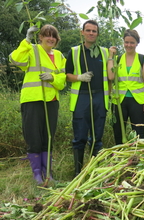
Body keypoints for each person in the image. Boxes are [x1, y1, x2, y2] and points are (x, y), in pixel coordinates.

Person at [9, 24, 66, 184]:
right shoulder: (32, 49)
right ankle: (36, 174)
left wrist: (53, 78)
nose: (51, 39)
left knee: (48, 137)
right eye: (47, 35)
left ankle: (48, 173)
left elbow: (62, 81)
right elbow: (16, 60)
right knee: (34, 137)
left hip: (52, 101)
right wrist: (26, 40)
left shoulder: (60, 56)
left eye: (53, 36)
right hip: (33, 100)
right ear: (40, 37)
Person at [66, 20, 109, 176]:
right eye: (88, 30)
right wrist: (79, 77)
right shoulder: (75, 51)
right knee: (80, 137)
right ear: (82, 32)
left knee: (97, 137)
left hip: (100, 97)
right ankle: (77, 174)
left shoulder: (104, 52)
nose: (91, 33)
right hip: (81, 99)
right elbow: (67, 75)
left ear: (97, 34)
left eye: (94, 31)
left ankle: (94, 172)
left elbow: (110, 76)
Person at [108, 29, 144, 144]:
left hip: (138, 101)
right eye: (126, 42)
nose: (129, 45)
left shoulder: (143, 59)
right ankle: (120, 157)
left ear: (137, 43)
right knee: (118, 131)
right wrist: (110, 56)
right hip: (119, 100)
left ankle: (138, 157)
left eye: (132, 42)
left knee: (139, 133)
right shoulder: (117, 59)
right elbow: (111, 76)